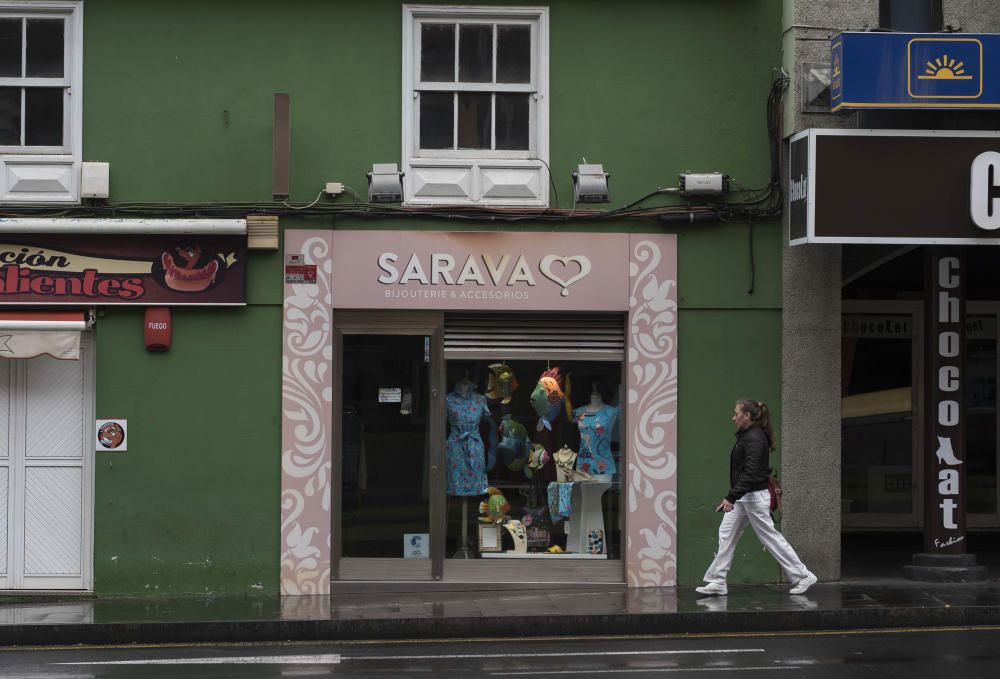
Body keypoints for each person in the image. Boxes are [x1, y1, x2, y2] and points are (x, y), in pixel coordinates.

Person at [695, 399, 817, 596]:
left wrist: (731, 497)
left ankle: (803, 576)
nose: (733, 417)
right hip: (744, 497)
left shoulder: (754, 439)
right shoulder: (747, 436)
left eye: (736, 413)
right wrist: (735, 496)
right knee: (726, 534)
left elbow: (750, 474)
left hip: (753, 498)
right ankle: (718, 580)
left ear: (747, 416)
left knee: (770, 538)